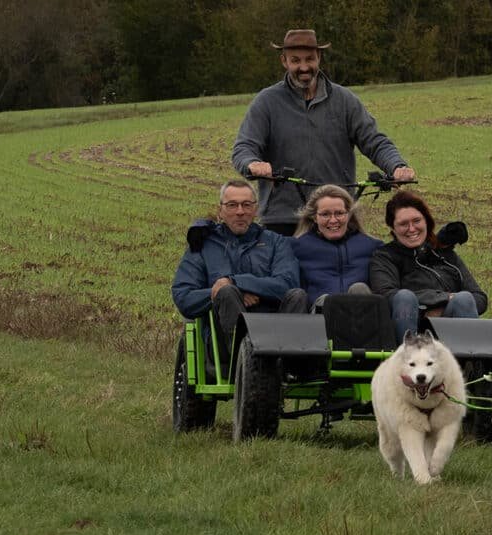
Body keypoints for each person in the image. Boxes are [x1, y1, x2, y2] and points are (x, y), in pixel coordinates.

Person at [231, 29, 417, 236]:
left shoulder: (344, 100)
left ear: (319, 58)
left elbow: (374, 141)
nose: (304, 67)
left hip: (337, 216)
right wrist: (252, 164)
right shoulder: (266, 102)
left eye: (310, 59)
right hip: (283, 217)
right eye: (295, 60)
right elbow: (243, 148)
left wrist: (397, 166)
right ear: (284, 61)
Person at [171, 179, 308, 375]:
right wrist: (226, 292)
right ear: (220, 210)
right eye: (232, 205)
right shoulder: (203, 245)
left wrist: (236, 282)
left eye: (246, 205)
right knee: (227, 292)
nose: (240, 211)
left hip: (275, 336)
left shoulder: (276, 242)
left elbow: (288, 283)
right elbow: (184, 296)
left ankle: (289, 366)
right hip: (223, 349)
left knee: (297, 294)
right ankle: (247, 364)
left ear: (256, 209)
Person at [369, 190, 487, 342]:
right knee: (405, 297)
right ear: (393, 229)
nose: (412, 229)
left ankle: (468, 362)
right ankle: (408, 359)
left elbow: (480, 298)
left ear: (427, 221)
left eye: (416, 221)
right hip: (409, 327)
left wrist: (443, 306)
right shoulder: (384, 257)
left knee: (464, 299)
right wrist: (437, 302)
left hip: (450, 331)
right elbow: (386, 295)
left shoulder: (445, 255)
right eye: (403, 224)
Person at [291, 184, 381, 311]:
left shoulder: (372, 246)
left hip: (359, 319)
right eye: (325, 214)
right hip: (318, 319)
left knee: (359, 289)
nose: (333, 220)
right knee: (326, 300)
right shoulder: (297, 247)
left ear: (349, 215)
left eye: (339, 213)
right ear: (314, 217)